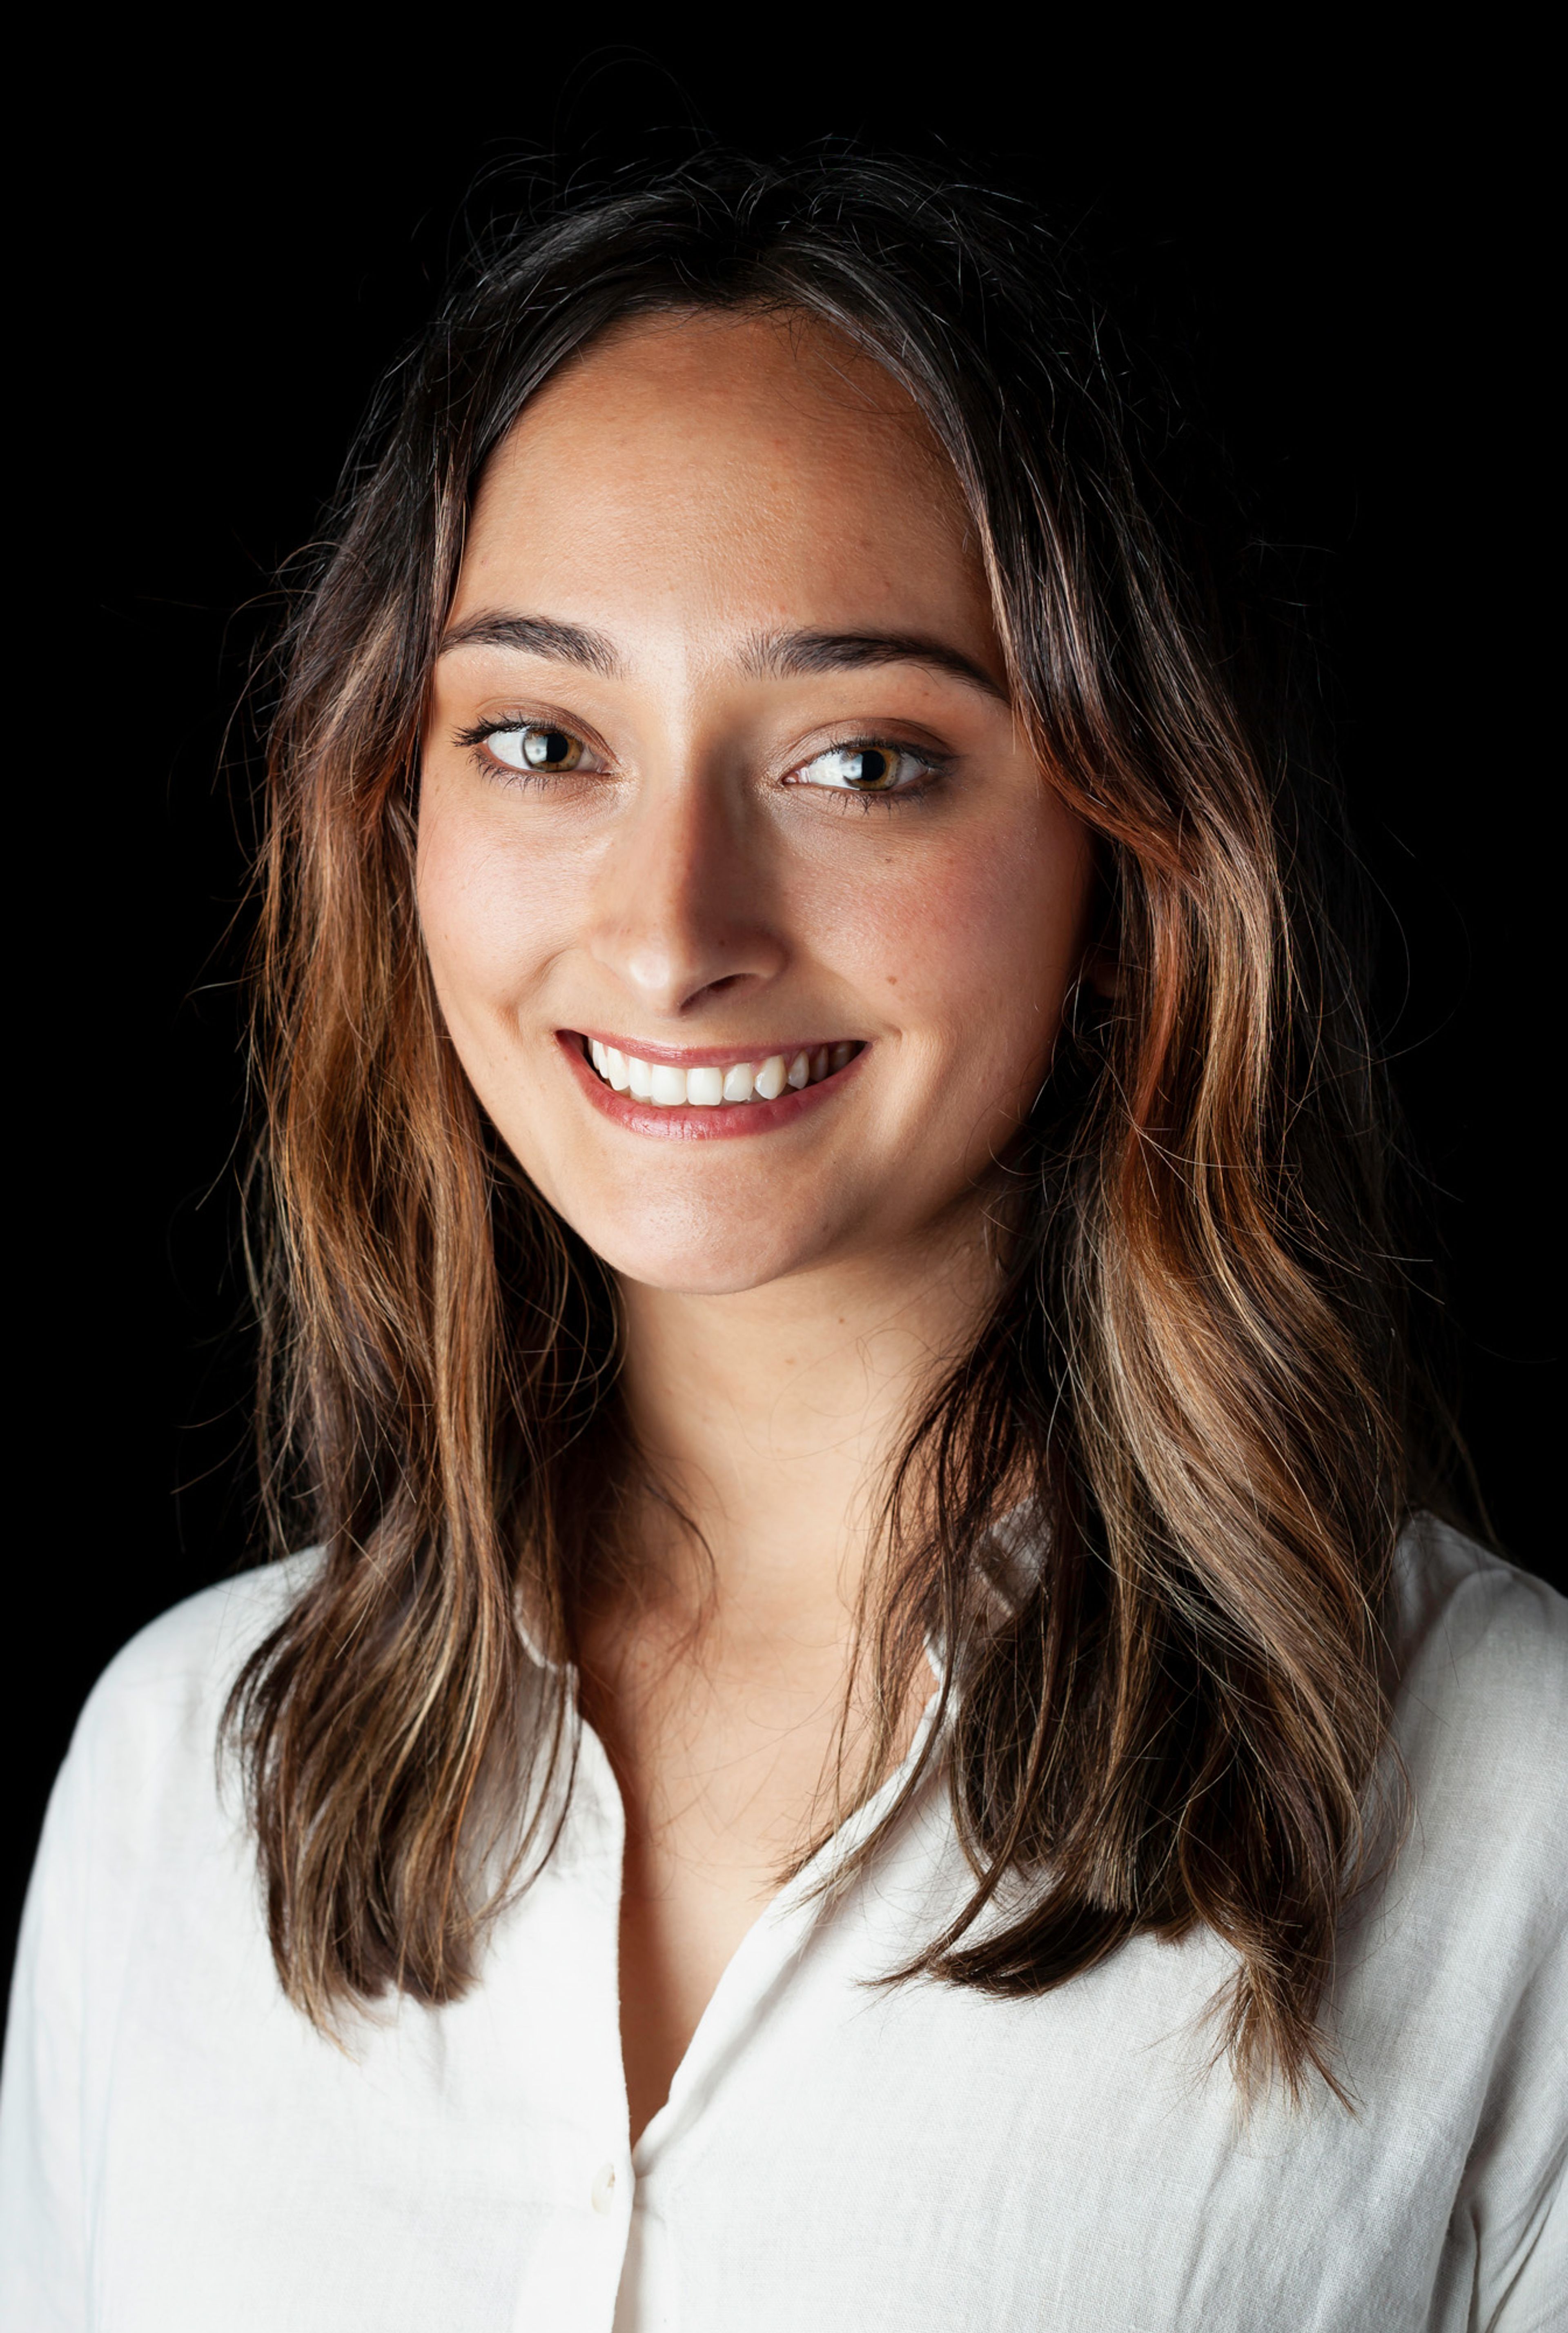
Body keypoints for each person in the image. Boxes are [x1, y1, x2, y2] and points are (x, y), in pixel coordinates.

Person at [1, 157, 1562, 2333]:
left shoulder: (1512, 1800)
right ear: (402, 823)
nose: (670, 930)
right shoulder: (181, 1779)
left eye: (860, 759)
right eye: (542, 740)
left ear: (1124, 859)